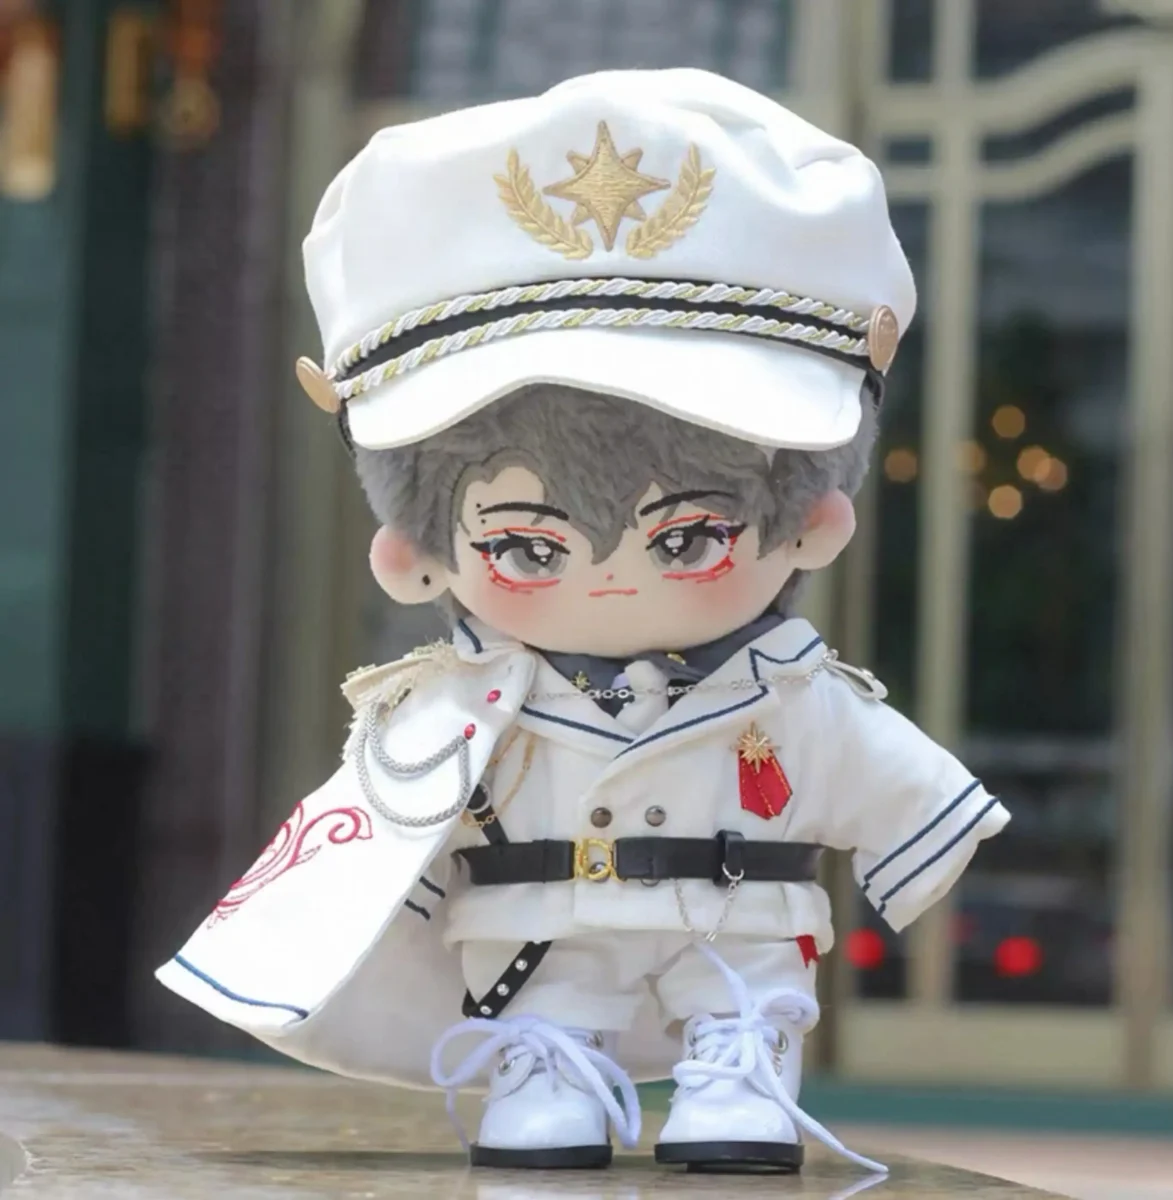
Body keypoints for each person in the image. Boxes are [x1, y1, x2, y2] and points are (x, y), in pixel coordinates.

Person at [158, 68, 1010, 1176]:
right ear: (414, 555)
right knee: (547, 1003)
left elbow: (902, 795)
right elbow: (376, 848)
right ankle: (545, 1069)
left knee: (745, 992)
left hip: (740, 929)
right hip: (538, 941)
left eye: (689, 537)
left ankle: (742, 1073)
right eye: (529, 547)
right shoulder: (464, 708)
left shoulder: (796, 697)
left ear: (812, 524)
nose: (611, 581)